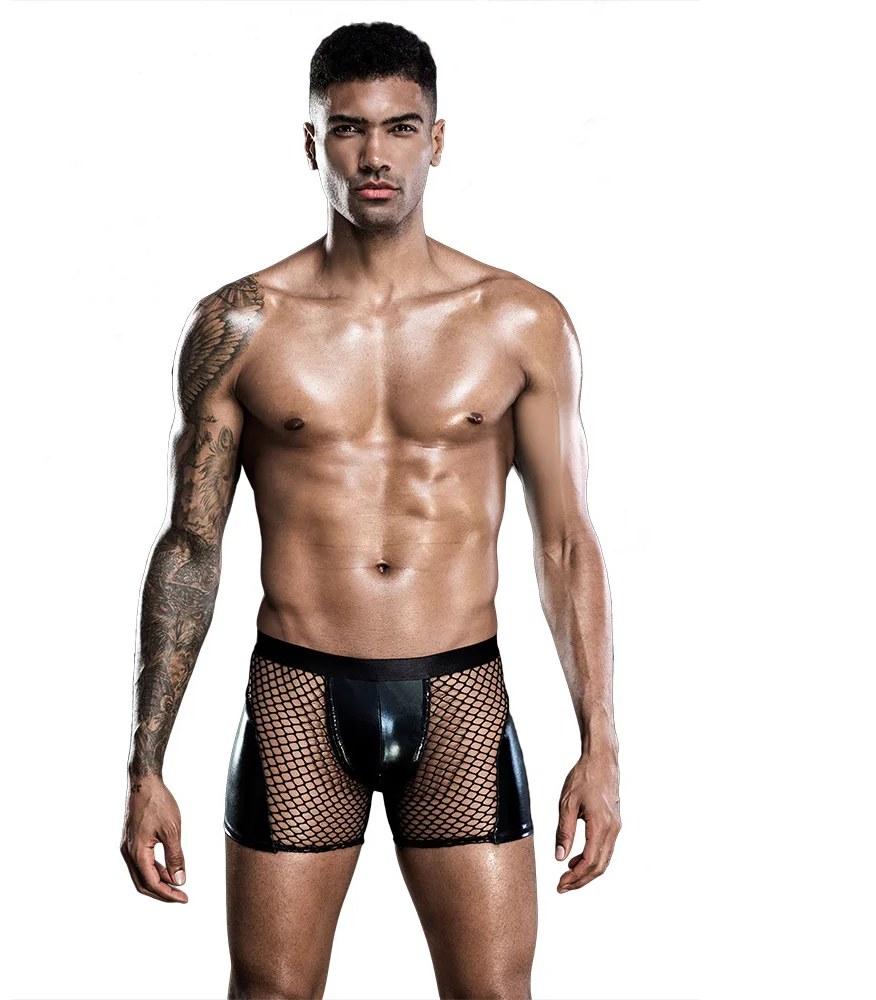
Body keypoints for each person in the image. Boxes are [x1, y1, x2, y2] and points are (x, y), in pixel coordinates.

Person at [120, 20, 621, 1000]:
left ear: (437, 139)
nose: (375, 155)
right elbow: (191, 544)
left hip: (461, 692)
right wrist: (146, 763)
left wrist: (600, 745)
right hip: (298, 696)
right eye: (349, 128)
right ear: (312, 141)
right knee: (269, 992)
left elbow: (566, 542)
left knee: (494, 993)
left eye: (400, 127)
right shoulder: (240, 326)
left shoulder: (520, 322)